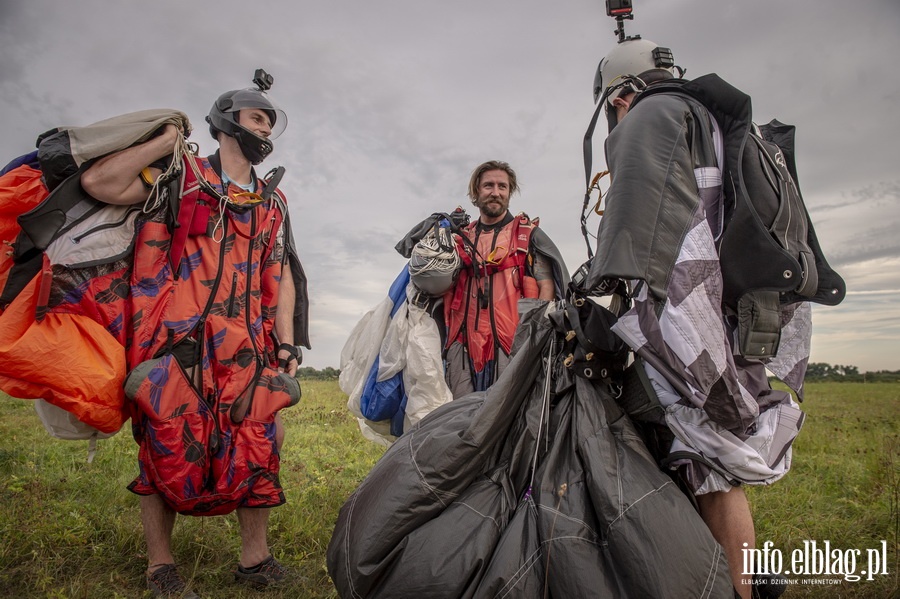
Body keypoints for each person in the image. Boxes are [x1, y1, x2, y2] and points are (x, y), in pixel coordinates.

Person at [585, 34, 840, 599]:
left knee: (707, 468)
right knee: (703, 466)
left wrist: (634, 316)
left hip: (690, 325)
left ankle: (738, 589)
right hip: (735, 319)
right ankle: (738, 579)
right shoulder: (714, 123)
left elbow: (670, 242)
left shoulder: (653, 118)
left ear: (618, 97)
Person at [80, 75, 310, 597]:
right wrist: (166, 139)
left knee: (257, 440)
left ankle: (255, 560)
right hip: (174, 342)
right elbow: (102, 185)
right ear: (226, 120)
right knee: (162, 444)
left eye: (271, 122)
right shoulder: (178, 177)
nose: (266, 128)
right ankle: (160, 566)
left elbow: (283, 273)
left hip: (246, 346)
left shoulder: (272, 202)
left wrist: (286, 341)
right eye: (257, 117)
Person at [442, 160, 567, 397]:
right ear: (476, 192)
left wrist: (534, 339)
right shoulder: (460, 237)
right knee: (459, 416)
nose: (496, 192)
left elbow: (546, 285)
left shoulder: (525, 235)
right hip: (463, 345)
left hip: (512, 345)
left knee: (506, 416)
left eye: (503, 187)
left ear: (510, 193)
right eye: (488, 186)